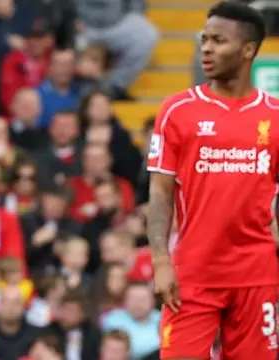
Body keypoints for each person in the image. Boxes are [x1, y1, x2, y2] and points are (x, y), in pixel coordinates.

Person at [147, 2, 279, 360]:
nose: (206, 48)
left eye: (218, 40)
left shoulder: (274, 116)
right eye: (204, 39)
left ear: (248, 49)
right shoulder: (177, 111)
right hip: (191, 275)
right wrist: (160, 261)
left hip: (258, 276)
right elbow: (159, 193)